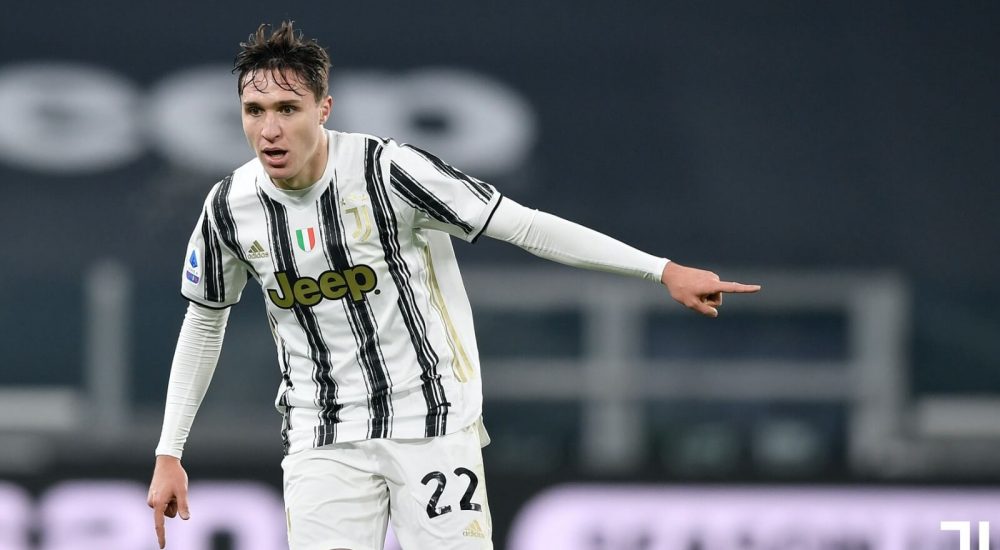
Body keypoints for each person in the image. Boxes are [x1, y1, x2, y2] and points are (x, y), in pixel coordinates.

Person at [146, 20, 761, 550]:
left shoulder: (389, 171)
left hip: (430, 420)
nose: (270, 129)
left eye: (288, 109)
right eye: (254, 111)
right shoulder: (229, 207)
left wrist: (661, 269)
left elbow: (524, 226)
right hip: (320, 434)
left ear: (323, 109)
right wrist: (169, 451)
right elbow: (204, 321)